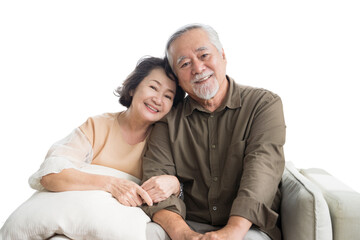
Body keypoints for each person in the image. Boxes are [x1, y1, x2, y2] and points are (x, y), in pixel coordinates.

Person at [142, 24, 286, 240]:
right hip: (186, 224)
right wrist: (184, 235)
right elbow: (156, 183)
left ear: (223, 56)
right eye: (185, 63)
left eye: (204, 55)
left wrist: (230, 233)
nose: (198, 68)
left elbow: (262, 171)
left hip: (247, 228)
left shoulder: (263, 105)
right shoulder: (168, 120)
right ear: (177, 77)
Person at [28, 56, 185, 207]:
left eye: (168, 96)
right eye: (153, 87)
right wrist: (112, 184)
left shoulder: (167, 141)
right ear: (132, 88)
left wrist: (175, 184)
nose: (158, 99)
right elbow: (50, 174)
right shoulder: (97, 126)